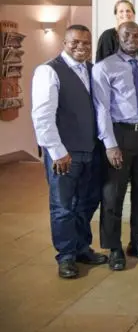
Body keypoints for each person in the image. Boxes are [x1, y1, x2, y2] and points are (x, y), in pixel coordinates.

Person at [31, 25, 106, 279]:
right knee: (63, 206)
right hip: (64, 154)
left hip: (90, 150)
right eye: (75, 42)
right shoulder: (49, 71)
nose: (81, 47)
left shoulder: (91, 69)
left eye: (86, 42)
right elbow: (42, 116)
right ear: (64, 42)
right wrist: (56, 151)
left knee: (87, 202)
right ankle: (66, 256)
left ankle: (82, 247)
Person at [92, 21, 138, 270]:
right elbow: (102, 109)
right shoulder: (105, 67)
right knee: (113, 194)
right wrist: (110, 144)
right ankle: (114, 247)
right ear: (117, 37)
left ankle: (137, 241)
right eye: (126, 34)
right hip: (119, 134)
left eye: (136, 34)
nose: (132, 38)